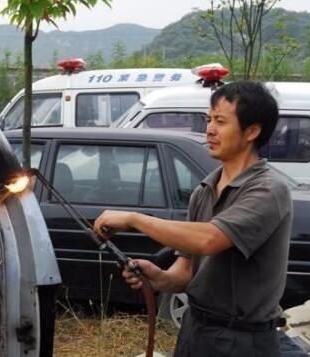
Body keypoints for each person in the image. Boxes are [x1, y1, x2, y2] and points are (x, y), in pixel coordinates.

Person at [94, 81, 292, 356]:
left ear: (252, 131)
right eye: (208, 119)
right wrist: (160, 278)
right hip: (196, 330)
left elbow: (210, 240)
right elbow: (187, 271)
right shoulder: (204, 190)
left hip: (244, 340)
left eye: (220, 121)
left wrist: (134, 219)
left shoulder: (268, 189)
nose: (209, 129)